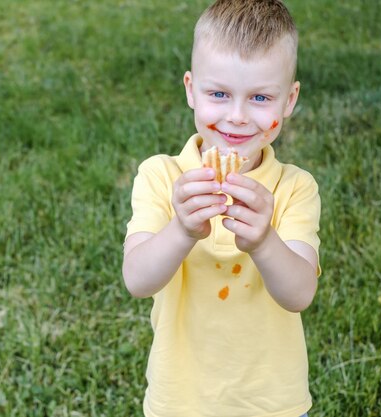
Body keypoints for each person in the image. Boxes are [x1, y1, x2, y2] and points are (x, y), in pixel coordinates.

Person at [122, 1, 321, 416]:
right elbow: (138, 281)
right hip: (182, 400)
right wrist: (181, 230)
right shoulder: (161, 176)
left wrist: (265, 241)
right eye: (218, 94)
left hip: (273, 402)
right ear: (191, 89)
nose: (236, 117)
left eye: (260, 97)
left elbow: (299, 294)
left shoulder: (294, 188)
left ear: (289, 99)